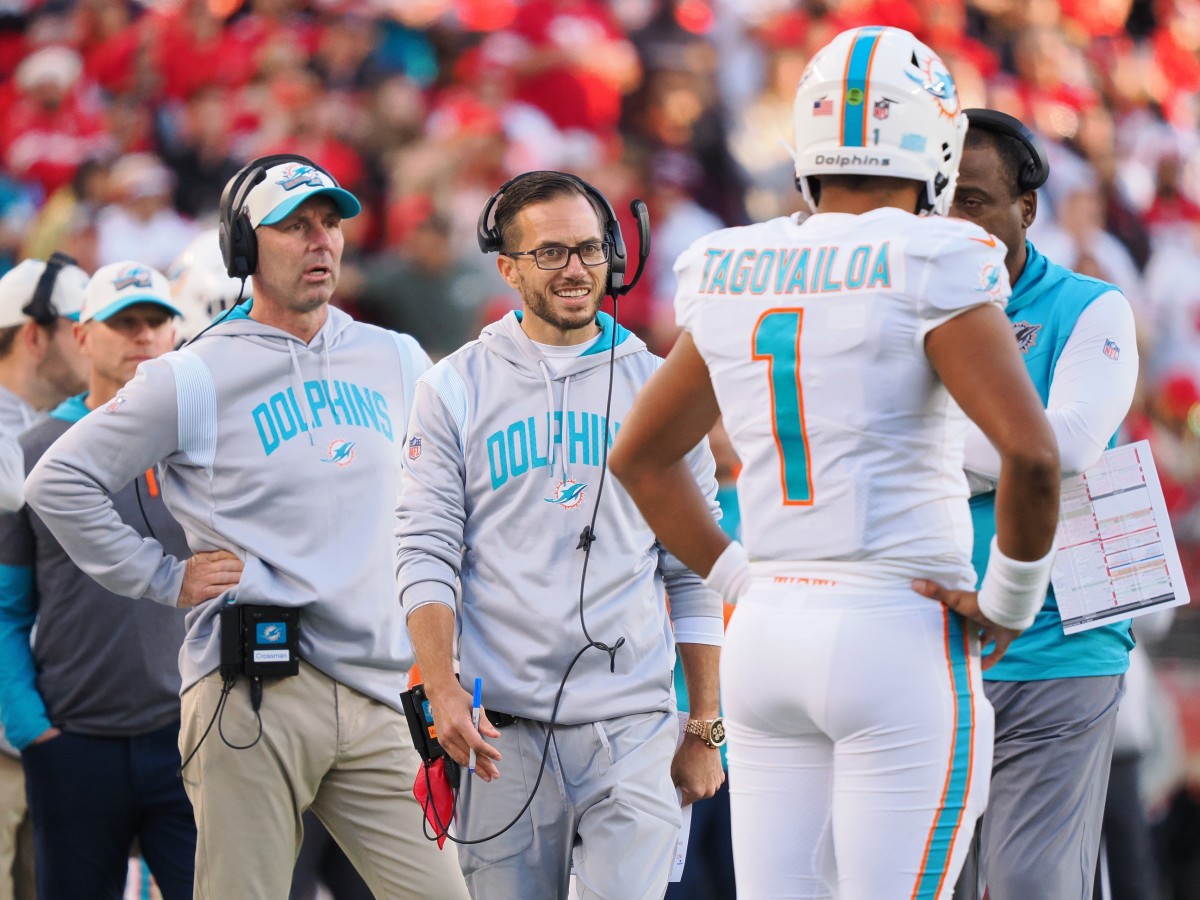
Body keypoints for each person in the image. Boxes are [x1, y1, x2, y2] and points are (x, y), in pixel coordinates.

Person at [607, 26, 1063, 899]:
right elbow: (1033, 455)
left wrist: (738, 577)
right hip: (898, 625)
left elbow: (641, 457)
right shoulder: (938, 257)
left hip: (768, 630)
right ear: (934, 145)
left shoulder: (733, 262)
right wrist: (1010, 601)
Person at [23, 155, 469, 900]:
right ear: (243, 247)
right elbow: (58, 481)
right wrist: (161, 576)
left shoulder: (395, 356)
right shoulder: (192, 373)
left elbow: (441, 503)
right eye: (294, 226)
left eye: (329, 223)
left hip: (379, 691)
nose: (320, 240)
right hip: (254, 692)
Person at [395, 170, 726, 899]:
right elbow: (425, 552)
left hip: (633, 726)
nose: (575, 268)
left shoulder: (660, 386)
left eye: (589, 248)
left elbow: (692, 569)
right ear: (508, 268)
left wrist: (706, 723)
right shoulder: (452, 387)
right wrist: (440, 687)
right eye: (549, 253)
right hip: (501, 735)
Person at [946, 108, 1140, 900]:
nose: (953, 222)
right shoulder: (901, 308)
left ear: (1025, 208)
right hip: (930, 643)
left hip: (1062, 640)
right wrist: (1002, 459)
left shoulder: (1091, 306)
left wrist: (929, 451)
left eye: (974, 200)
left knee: (1032, 883)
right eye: (937, 201)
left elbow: (1066, 448)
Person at [0, 262, 195, 900]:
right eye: (123, 321)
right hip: (75, 741)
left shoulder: (199, 447)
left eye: (156, 321)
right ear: (83, 336)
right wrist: (32, 730)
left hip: (187, 733)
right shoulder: (33, 450)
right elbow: (7, 608)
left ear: (175, 333)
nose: (143, 335)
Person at [0, 253, 88, 900]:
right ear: (34, 335)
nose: (94, 339)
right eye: (78, 326)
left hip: (66, 739)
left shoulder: (84, 428)